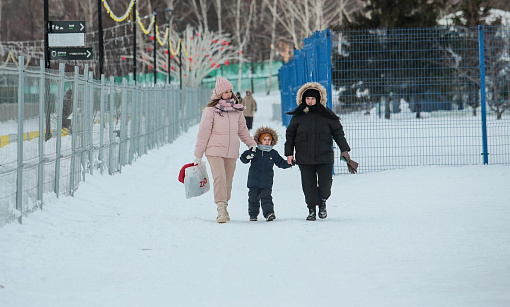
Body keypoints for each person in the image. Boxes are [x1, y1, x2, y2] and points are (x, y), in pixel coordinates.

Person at [284, 82, 353, 221]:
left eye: (312, 98)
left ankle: (322, 202)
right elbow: (290, 135)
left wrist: (344, 149)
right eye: (307, 98)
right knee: (308, 185)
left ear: (318, 99)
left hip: (324, 156)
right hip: (304, 157)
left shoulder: (327, 114)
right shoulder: (298, 115)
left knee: (325, 184)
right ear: (303, 99)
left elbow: (338, 133)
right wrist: (289, 153)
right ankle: (311, 210)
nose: (310, 101)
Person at [194, 76, 257, 223]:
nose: (229, 94)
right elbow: (203, 134)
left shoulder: (237, 110)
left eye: (230, 91)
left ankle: (225, 205)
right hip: (214, 150)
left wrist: (251, 144)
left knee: (228, 182)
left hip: (231, 150)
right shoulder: (210, 111)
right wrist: (198, 156)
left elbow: (242, 130)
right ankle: (220, 209)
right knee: (220, 178)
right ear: (218, 93)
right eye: (225, 91)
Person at [240, 126, 292, 222]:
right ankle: (253, 214)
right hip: (253, 181)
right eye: (264, 139)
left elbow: (280, 163)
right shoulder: (254, 151)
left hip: (266, 182)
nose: (267, 141)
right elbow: (244, 159)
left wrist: (289, 163)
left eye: (269, 139)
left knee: (266, 198)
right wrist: (247, 156)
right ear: (260, 140)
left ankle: (269, 213)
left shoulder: (273, 153)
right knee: (253, 199)